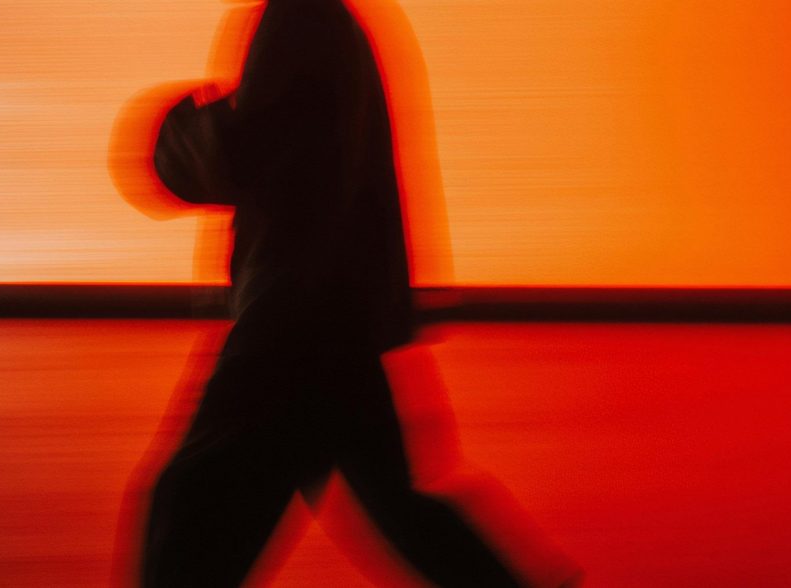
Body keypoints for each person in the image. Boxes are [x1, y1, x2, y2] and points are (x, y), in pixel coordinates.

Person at [139, 0, 554, 585]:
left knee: (190, 510)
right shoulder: (328, 22)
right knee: (405, 515)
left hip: (293, 322)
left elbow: (259, 155)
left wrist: (182, 137)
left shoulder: (301, 18)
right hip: (335, 320)